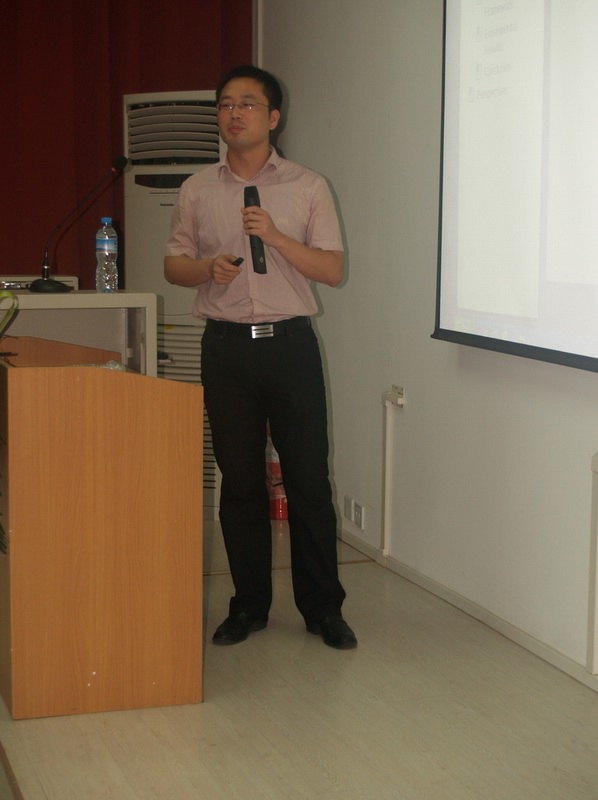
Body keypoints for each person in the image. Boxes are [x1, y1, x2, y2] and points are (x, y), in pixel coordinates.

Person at [164, 65, 357, 650]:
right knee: (241, 482)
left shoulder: (308, 186)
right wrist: (207, 269)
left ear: (274, 117)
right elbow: (174, 265)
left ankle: (322, 608)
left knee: (308, 480)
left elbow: (333, 269)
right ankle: (248, 606)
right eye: (225, 104)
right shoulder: (198, 188)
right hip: (225, 349)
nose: (234, 113)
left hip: (291, 346)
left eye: (247, 103)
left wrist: (275, 237)